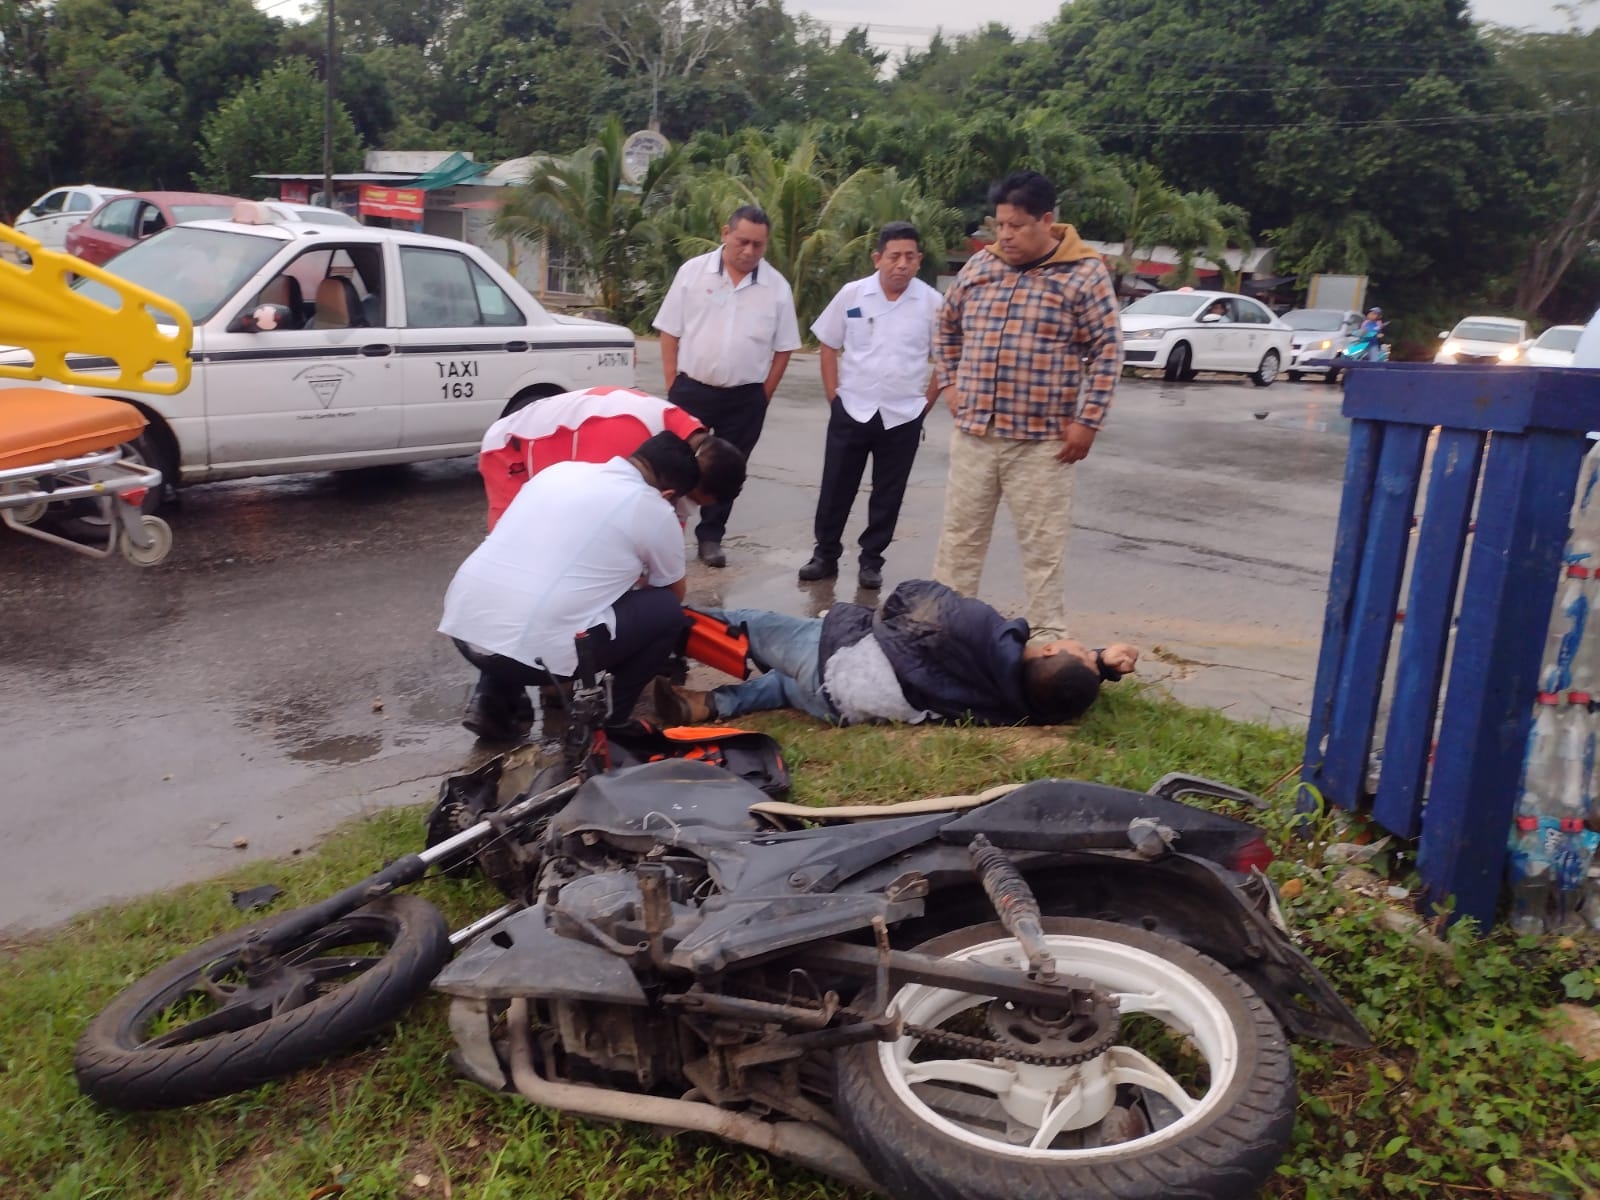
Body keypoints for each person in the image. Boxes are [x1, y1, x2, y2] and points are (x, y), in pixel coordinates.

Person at [931, 169, 1123, 644]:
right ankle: (947, 633)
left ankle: (1047, 643)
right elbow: (945, 327)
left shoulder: (1084, 273)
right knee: (960, 539)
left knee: (1043, 547)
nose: (1005, 235)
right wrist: (952, 384)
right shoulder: (981, 268)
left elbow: (1107, 350)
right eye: (999, 225)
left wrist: (1088, 421)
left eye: (1016, 225)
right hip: (976, 434)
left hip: (1043, 443)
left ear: (1047, 220)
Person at [439, 431, 699, 741]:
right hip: (530, 658)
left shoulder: (560, 471)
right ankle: (612, 722)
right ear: (669, 494)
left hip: (464, 629)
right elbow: (672, 593)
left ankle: (493, 701)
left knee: (530, 588)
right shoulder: (653, 509)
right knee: (666, 612)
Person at [654, 578, 1137, 728]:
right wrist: (1102, 664)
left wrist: (883, 620)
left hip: (832, 661)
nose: (1085, 648)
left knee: (746, 624)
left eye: (1080, 649)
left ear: (1051, 647)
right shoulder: (1024, 705)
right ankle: (710, 704)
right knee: (784, 684)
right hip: (839, 705)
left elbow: (909, 596)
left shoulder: (979, 627)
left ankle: (648, 625)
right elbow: (1062, 683)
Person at [653, 205, 802, 567]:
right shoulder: (692, 273)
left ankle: (711, 539)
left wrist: (762, 395)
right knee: (674, 463)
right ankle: (661, 536)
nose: (749, 251)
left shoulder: (776, 288)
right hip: (691, 390)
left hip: (745, 398)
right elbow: (669, 331)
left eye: (758, 245)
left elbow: (784, 348)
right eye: (743, 242)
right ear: (725, 233)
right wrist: (673, 382)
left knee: (727, 470)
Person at [798, 221, 943, 591]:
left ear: (919, 259)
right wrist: (834, 395)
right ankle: (824, 555)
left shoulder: (931, 303)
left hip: (903, 415)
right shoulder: (853, 295)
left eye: (910, 257)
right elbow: (829, 343)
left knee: (888, 494)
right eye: (894, 256)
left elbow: (945, 358)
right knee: (836, 487)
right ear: (877, 258)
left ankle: (871, 561)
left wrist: (926, 403)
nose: (902, 264)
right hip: (853, 408)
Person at [477, 385, 746, 530]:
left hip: (564, 451)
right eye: (692, 499)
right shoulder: (628, 439)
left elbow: (668, 521)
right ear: (694, 476)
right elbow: (593, 517)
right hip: (511, 450)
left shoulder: (691, 436)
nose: (687, 507)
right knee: (517, 542)